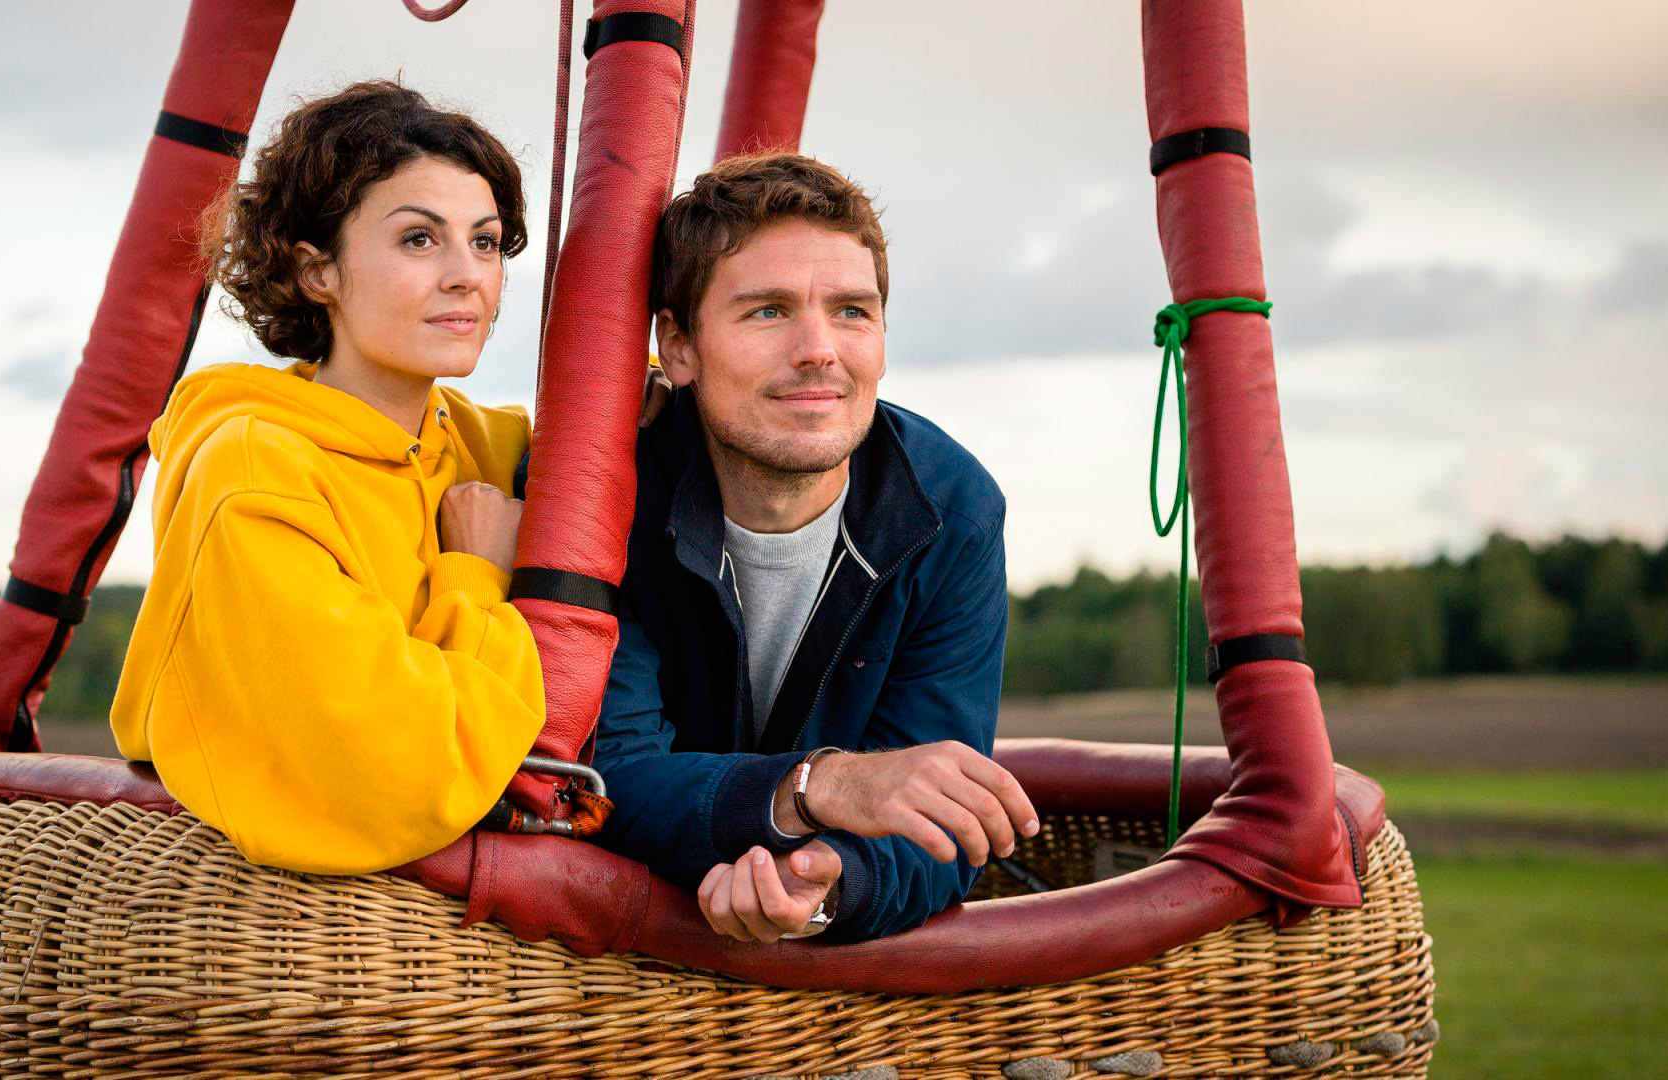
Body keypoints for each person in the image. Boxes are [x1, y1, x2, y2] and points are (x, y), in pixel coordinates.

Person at [594, 153, 1039, 944]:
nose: (818, 350)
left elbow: (939, 818)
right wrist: (816, 787)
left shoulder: (953, 513)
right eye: (768, 311)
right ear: (678, 346)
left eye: (851, 311)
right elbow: (605, 779)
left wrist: (831, 883)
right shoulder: (600, 496)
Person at [109, 80, 545, 875]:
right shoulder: (255, 471)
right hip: (291, 920)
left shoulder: (482, 442)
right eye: (420, 239)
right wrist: (474, 578)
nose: (467, 276)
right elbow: (397, 774)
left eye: (485, 242)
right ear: (318, 272)